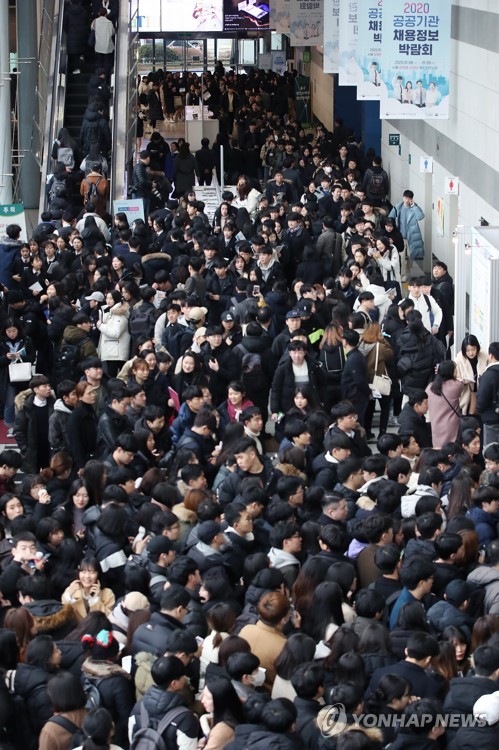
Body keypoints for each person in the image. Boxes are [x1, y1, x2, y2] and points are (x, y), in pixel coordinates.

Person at [426, 361, 464, 448]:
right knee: (451, 449)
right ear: (451, 372)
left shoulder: (430, 387)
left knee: (438, 448)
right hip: (451, 425)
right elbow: (461, 381)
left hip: (435, 425)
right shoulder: (456, 386)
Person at [389, 191, 425, 261]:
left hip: (411, 237)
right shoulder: (398, 207)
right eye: (405, 198)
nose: (407, 200)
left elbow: (420, 217)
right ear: (403, 198)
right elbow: (390, 218)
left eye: (409, 199)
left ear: (411, 199)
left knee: (410, 258)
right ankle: (403, 272)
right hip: (400, 236)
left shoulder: (414, 208)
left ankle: (407, 272)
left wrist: (414, 206)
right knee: (401, 258)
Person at [476, 342, 499, 446]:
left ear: (490, 356)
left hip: (491, 419)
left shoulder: (488, 375)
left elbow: (481, 401)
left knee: (491, 450)